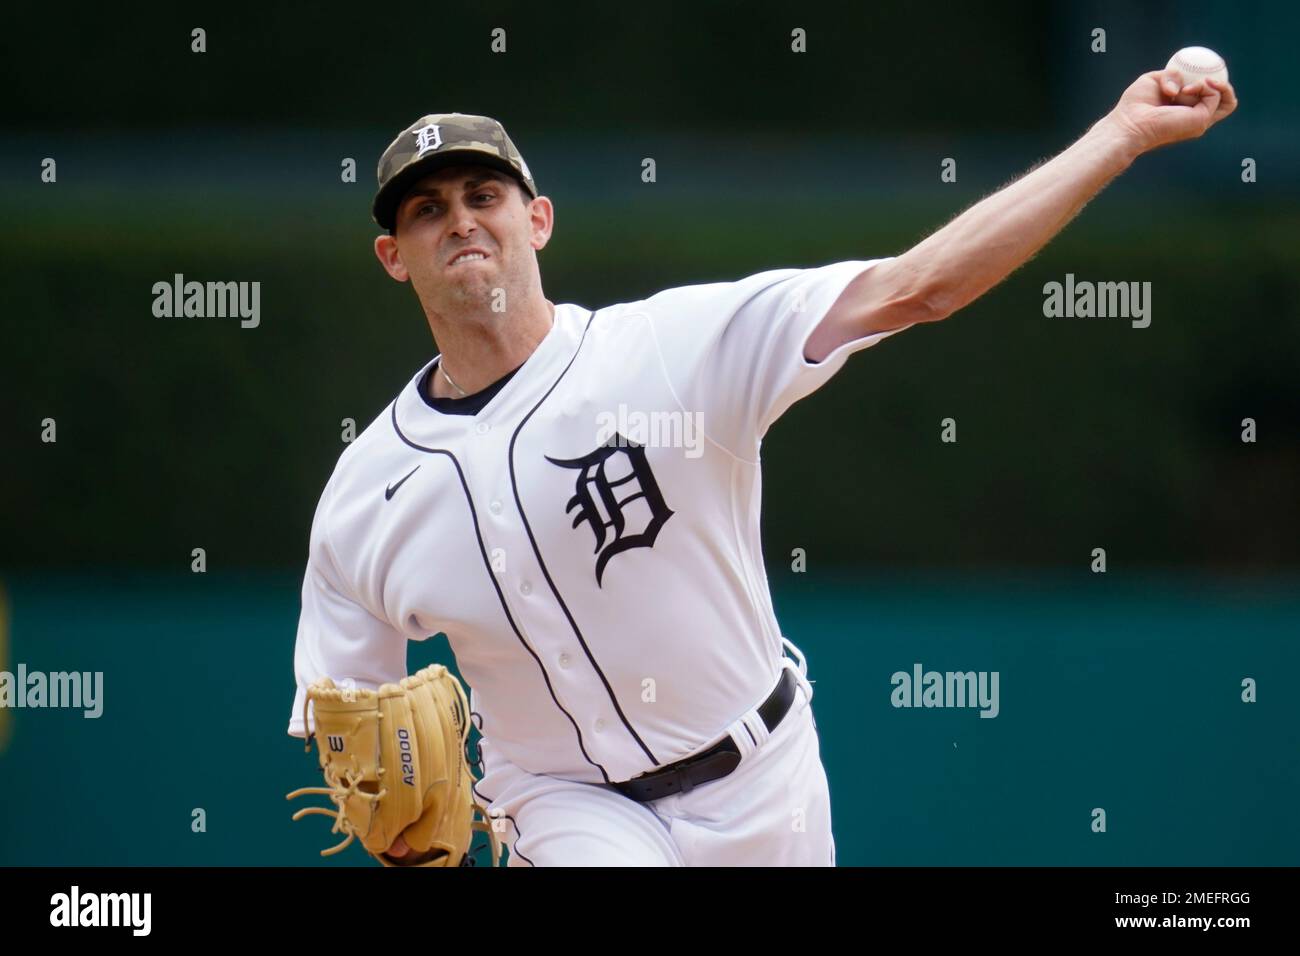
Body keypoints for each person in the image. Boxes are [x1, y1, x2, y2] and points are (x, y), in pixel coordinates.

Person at [289, 72, 1237, 865]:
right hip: (565, 807)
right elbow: (352, 727)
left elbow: (921, 286)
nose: (460, 221)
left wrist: (1119, 134)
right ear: (392, 256)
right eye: (426, 210)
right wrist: (399, 837)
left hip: (766, 784)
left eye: (482, 196)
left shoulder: (671, 348)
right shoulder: (365, 495)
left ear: (537, 220)